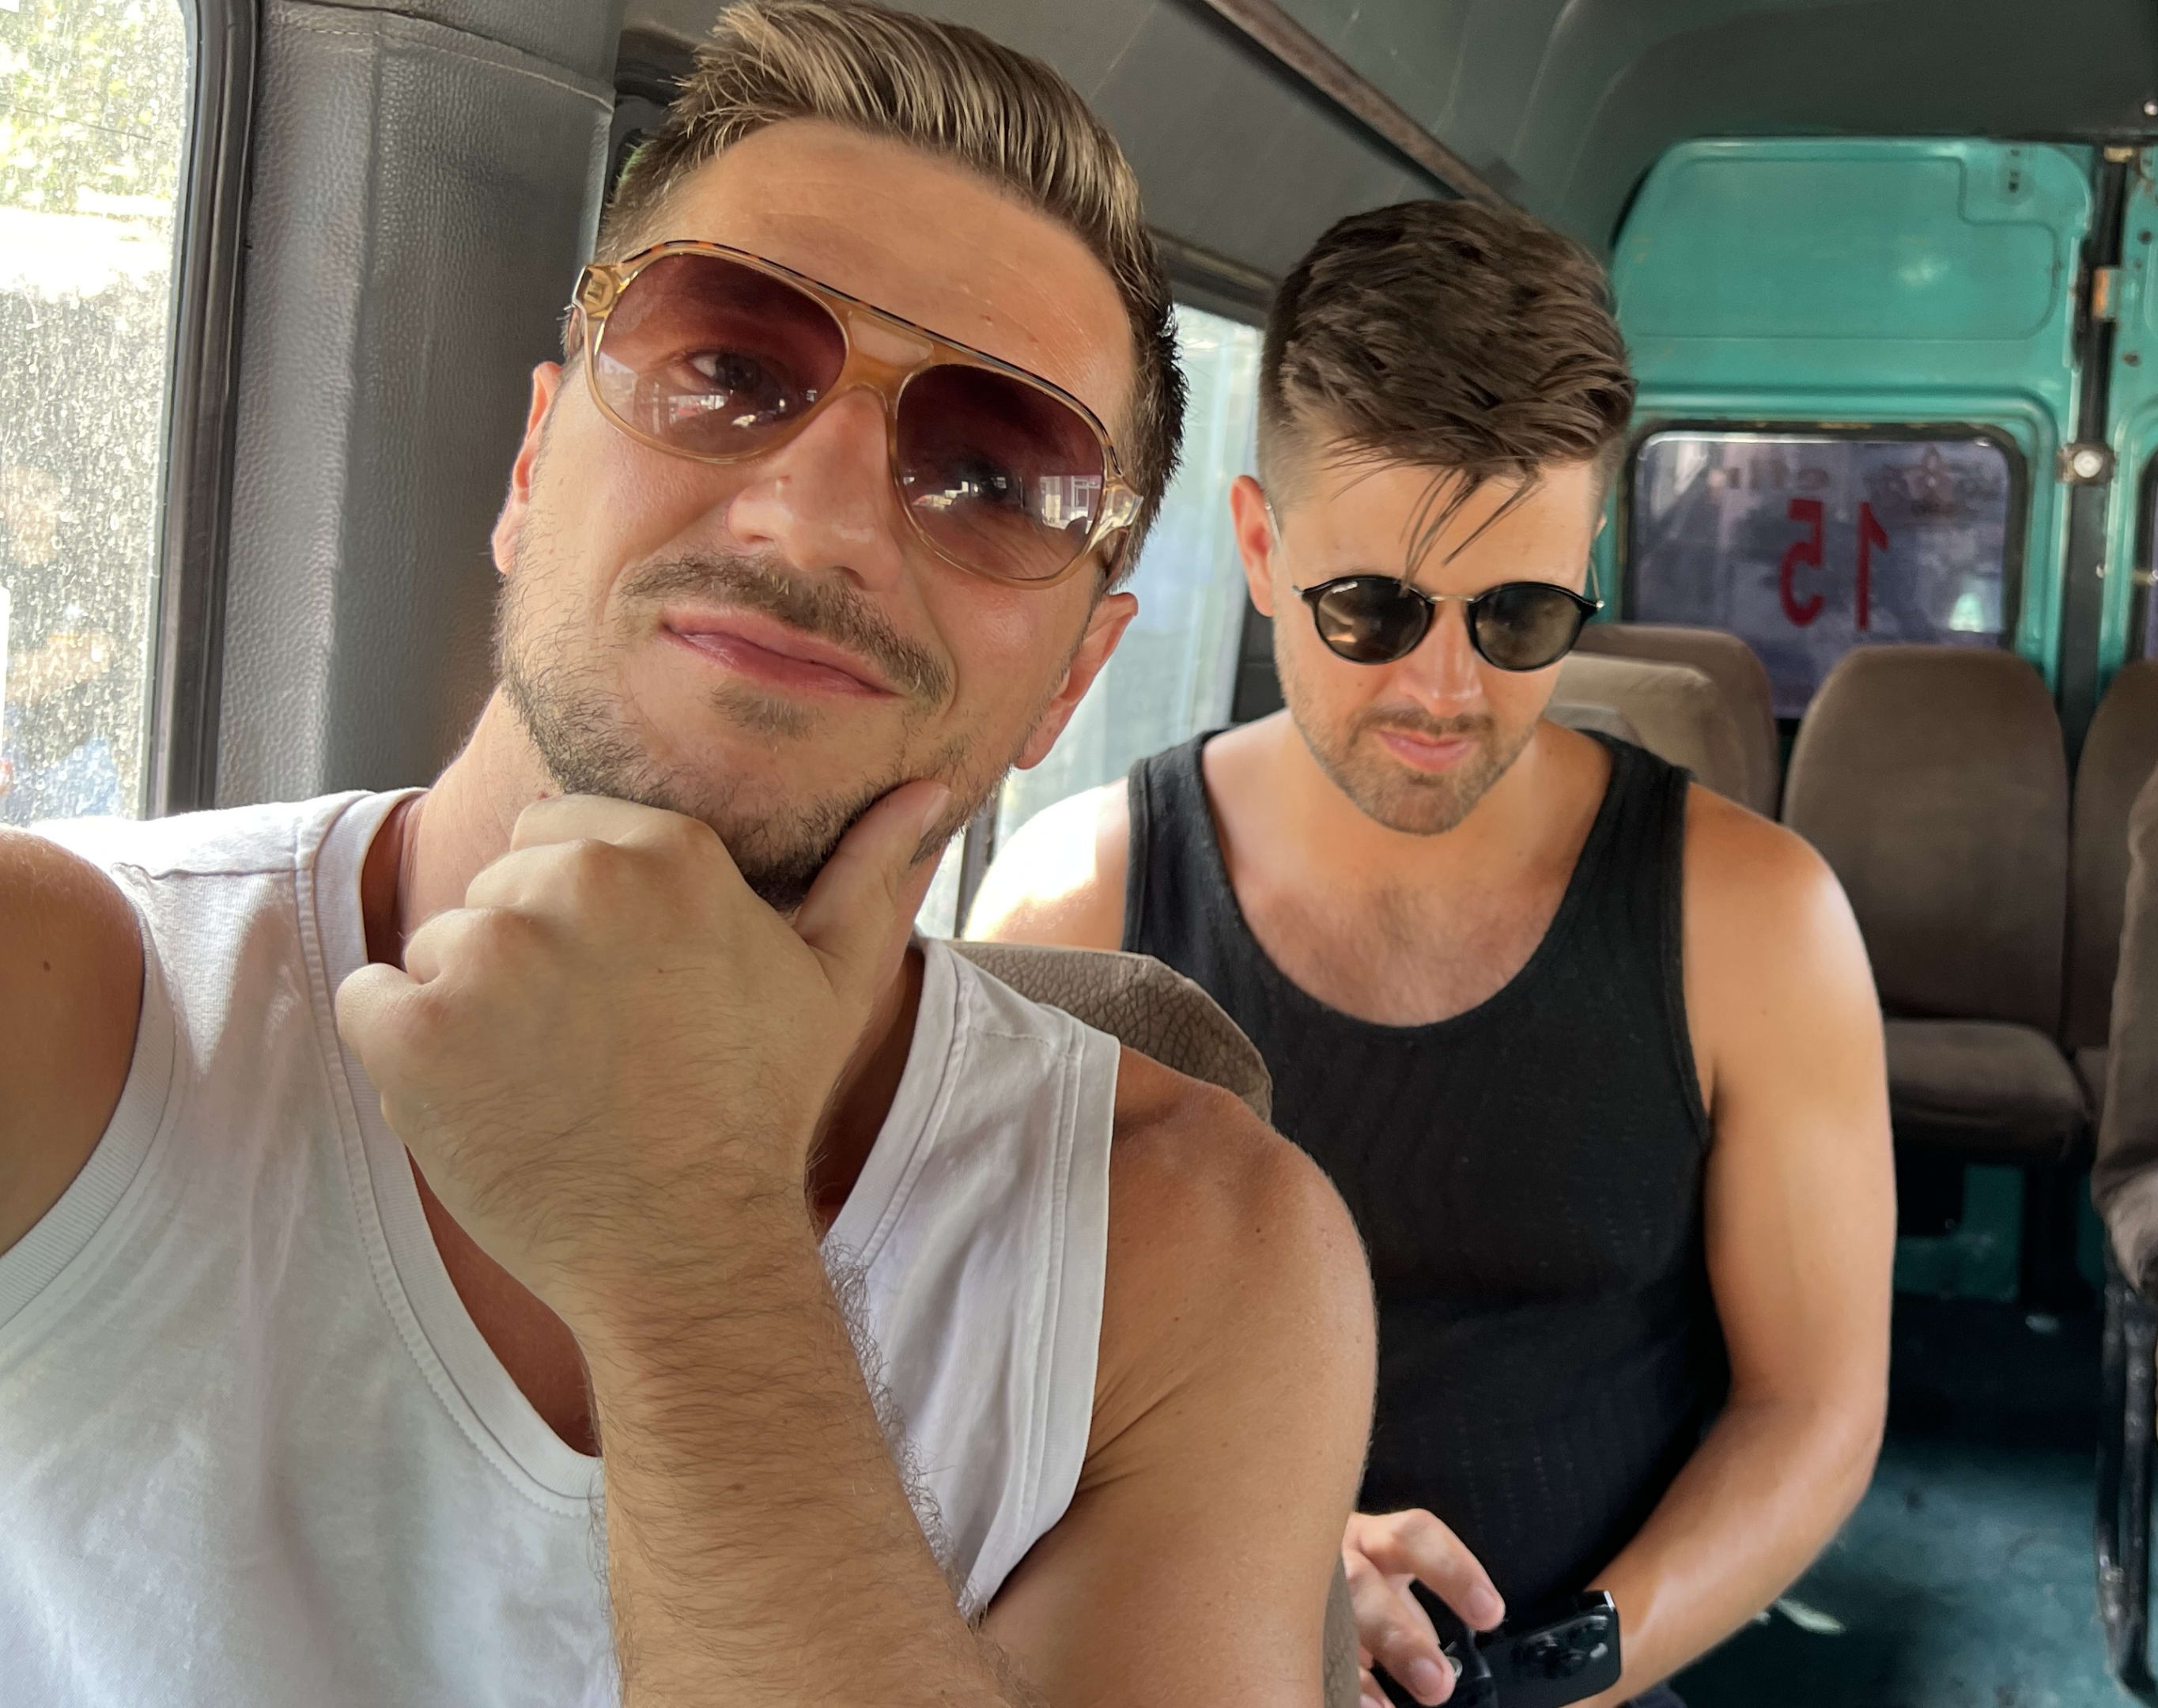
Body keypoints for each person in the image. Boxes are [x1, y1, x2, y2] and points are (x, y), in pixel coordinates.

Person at [0, 6, 1373, 1703]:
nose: (815, 514)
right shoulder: (57, 999)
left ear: (1073, 680)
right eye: (724, 366)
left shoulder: (1201, 1254)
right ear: (528, 467)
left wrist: (691, 1254)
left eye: (997, 474)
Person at [971, 199, 1895, 1707]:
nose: (1445, 689)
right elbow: (978, 1392)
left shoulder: (1758, 926)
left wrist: (1563, 1668)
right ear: (1262, 551)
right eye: (1373, 609)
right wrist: (1263, 1575)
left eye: (1521, 612)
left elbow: (1813, 1408)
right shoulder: (1074, 904)